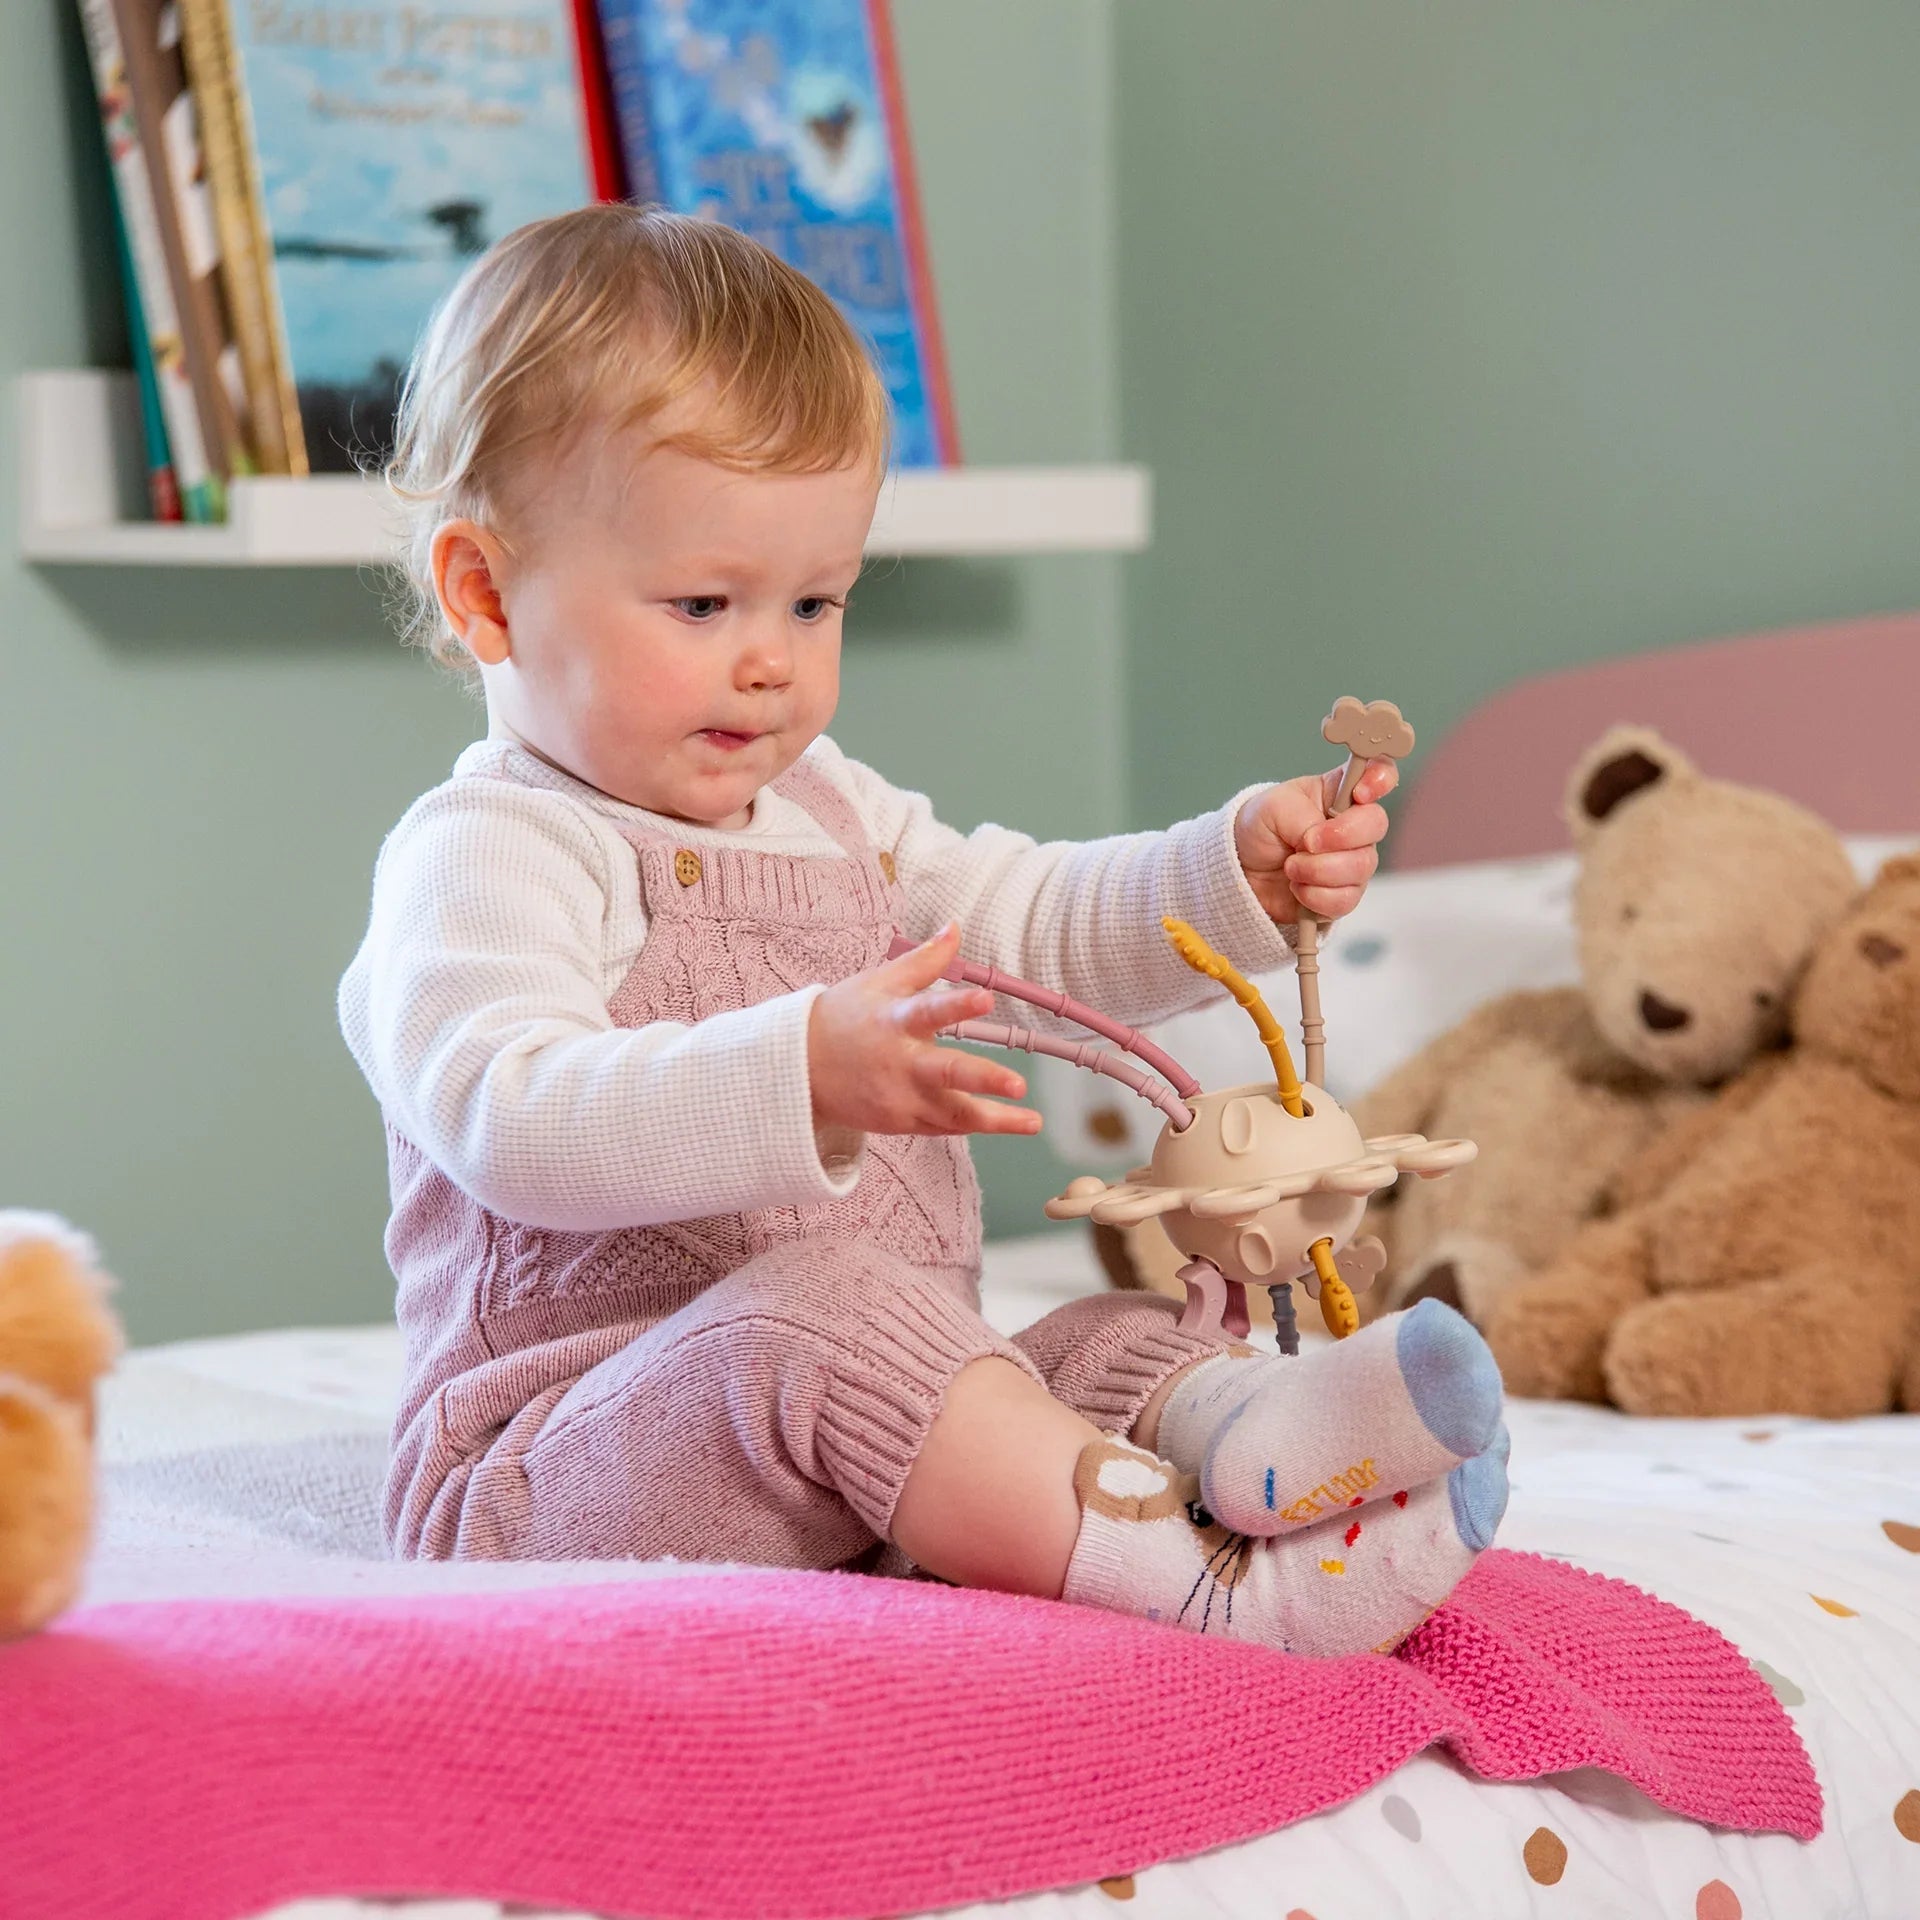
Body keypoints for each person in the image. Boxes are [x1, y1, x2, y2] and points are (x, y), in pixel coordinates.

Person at [340, 205, 1507, 1656]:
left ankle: (1267, 1451)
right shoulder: (491, 850)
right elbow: (505, 1113)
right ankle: (1212, 1593)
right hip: (556, 1470)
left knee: (1090, 1343)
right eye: (701, 604)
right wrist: (804, 1071)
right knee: (832, 1316)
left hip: (848, 1448)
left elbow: (1026, 923)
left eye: (815, 602)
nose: (770, 662)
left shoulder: (830, 809)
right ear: (486, 592)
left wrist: (1227, 881)